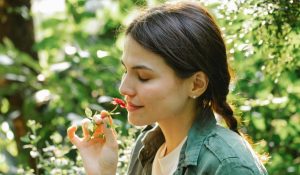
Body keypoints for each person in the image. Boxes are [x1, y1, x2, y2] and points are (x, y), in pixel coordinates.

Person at [67, 1, 268, 175]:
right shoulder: (146, 148)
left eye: (143, 77)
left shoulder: (227, 165)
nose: (124, 88)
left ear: (196, 84)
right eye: (125, 71)